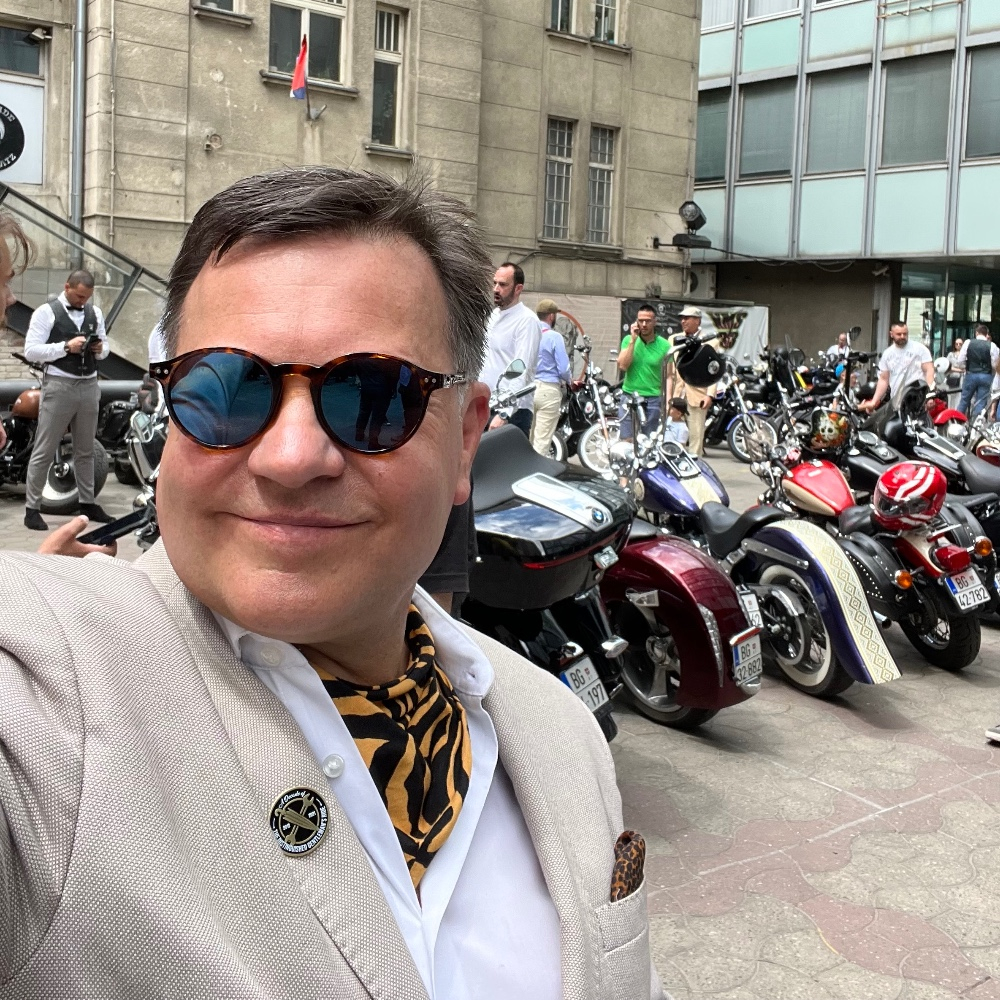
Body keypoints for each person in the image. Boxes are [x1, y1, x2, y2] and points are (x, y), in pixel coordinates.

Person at [0, 167, 662, 1000]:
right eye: (226, 391)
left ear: (465, 440)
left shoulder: (559, 733)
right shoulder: (48, 704)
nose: (290, 457)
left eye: (371, 396)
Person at [22, 269, 114, 531]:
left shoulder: (95, 313)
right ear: (67, 287)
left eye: (87, 297)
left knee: (86, 449)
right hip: (59, 385)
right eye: (79, 296)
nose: (83, 302)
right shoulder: (46, 312)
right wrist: (64, 347)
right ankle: (32, 508)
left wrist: (99, 349)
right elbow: (31, 350)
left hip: (89, 385)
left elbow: (105, 349)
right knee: (45, 448)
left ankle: (87, 503)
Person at [480, 262, 542, 436]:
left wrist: (504, 413)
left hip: (512, 412)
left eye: (503, 284)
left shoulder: (527, 321)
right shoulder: (493, 317)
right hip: (486, 406)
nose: (496, 289)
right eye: (494, 283)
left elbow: (521, 368)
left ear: (518, 288)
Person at [618, 302, 669, 439]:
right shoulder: (628, 340)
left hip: (653, 398)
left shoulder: (664, 345)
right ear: (636, 322)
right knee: (627, 439)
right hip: (629, 395)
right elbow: (623, 366)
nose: (644, 324)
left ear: (654, 322)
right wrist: (633, 340)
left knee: (649, 440)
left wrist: (668, 400)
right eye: (641, 321)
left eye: (648, 321)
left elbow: (669, 375)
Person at [858, 322, 935, 415]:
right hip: (897, 402)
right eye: (899, 334)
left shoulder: (920, 349)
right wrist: (874, 402)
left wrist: (929, 395)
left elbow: (929, 371)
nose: (902, 336)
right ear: (891, 334)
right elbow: (883, 380)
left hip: (918, 400)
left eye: (905, 334)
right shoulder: (887, 354)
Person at [530, 298, 571, 455]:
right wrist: (569, 380)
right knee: (541, 442)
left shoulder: (529, 334)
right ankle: (536, 469)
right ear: (552, 316)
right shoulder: (555, 337)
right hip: (549, 390)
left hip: (528, 390)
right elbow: (564, 369)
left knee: (528, 438)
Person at [676, 306, 716, 457]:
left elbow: (714, 370)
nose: (683, 321)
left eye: (687, 318)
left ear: (697, 321)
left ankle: (695, 465)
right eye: (682, 318)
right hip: (676, 394)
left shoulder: (709, 342)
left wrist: (710, 395)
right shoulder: (675, 339)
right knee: (674, 436)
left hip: (698, 394)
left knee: (696, 437)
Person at [956, 324, 1000, 420]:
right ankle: (976, 424)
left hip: (971, 374)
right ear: (986, 334)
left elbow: (960, 360)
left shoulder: (968, 343)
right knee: (981, 402)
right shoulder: (991, 345)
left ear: (976, 333)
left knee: (964, 400)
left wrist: (966, 367)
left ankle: (957, 421)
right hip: (986, 375)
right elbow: (995, 363)